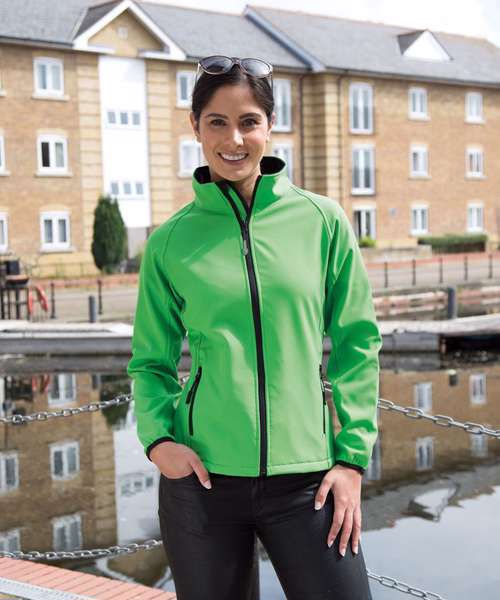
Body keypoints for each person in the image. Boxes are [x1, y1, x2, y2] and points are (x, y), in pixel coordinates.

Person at [127, 55, 382, 600]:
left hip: (309, 481)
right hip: (202, 481)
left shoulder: (322, 221)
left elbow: (358, 342)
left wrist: (352, 458)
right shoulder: (170, 242)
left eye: (249, 121)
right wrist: (159, 441)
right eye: (217, 122)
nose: (234, 139)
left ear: (270, 125)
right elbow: (150, 361)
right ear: (195, 127)